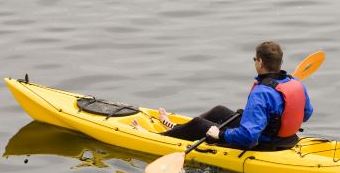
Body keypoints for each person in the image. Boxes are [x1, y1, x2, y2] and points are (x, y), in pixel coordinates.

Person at [131, 41, 313, 151]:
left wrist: (221, 135)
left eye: (255, 59)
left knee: (198, 124)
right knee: (219, 111)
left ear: (260, 62)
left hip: (264, 144)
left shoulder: (261, 92)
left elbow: (249, 137)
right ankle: (175, 128)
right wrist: (274, 118)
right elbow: (306, 114)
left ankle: (156, 138)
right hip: (287, 139)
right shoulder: (295, 83)